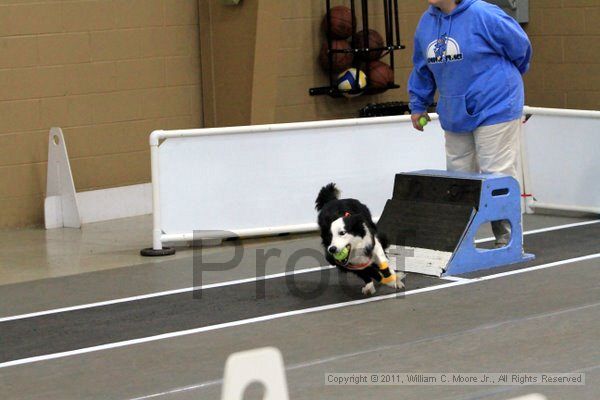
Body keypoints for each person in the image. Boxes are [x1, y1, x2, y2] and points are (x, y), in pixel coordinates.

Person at [408, 0, 532, 247]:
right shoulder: (426, 23)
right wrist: (418, 105)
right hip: (455, 111)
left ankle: (507, 237)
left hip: (496, 103)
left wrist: (502, 81)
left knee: (496, 171)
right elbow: (422, 68)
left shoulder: (484, 14)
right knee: (458, 175)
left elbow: (521, 48)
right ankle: (459, 239)